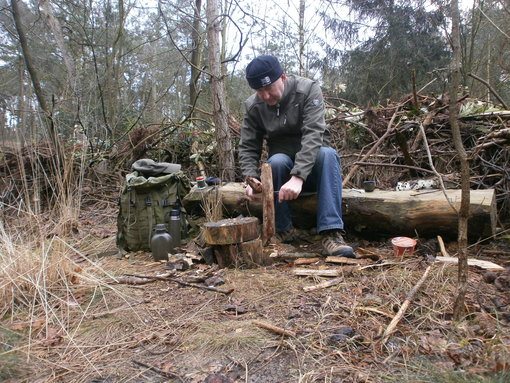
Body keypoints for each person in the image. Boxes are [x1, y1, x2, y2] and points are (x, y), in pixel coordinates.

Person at [238, 55, 355, 258]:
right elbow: (248, 146)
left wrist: (298, 176)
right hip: (282, 178)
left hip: (315, 171)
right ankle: (283, 231)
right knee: (275, 162)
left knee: (328, 154)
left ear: (282, 77)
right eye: (259, 91)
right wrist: (250, 178)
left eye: (269, 89)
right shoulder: (253, 106)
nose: (265, 96)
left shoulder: (307, 89)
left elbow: (313, 134)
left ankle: (331, 233)